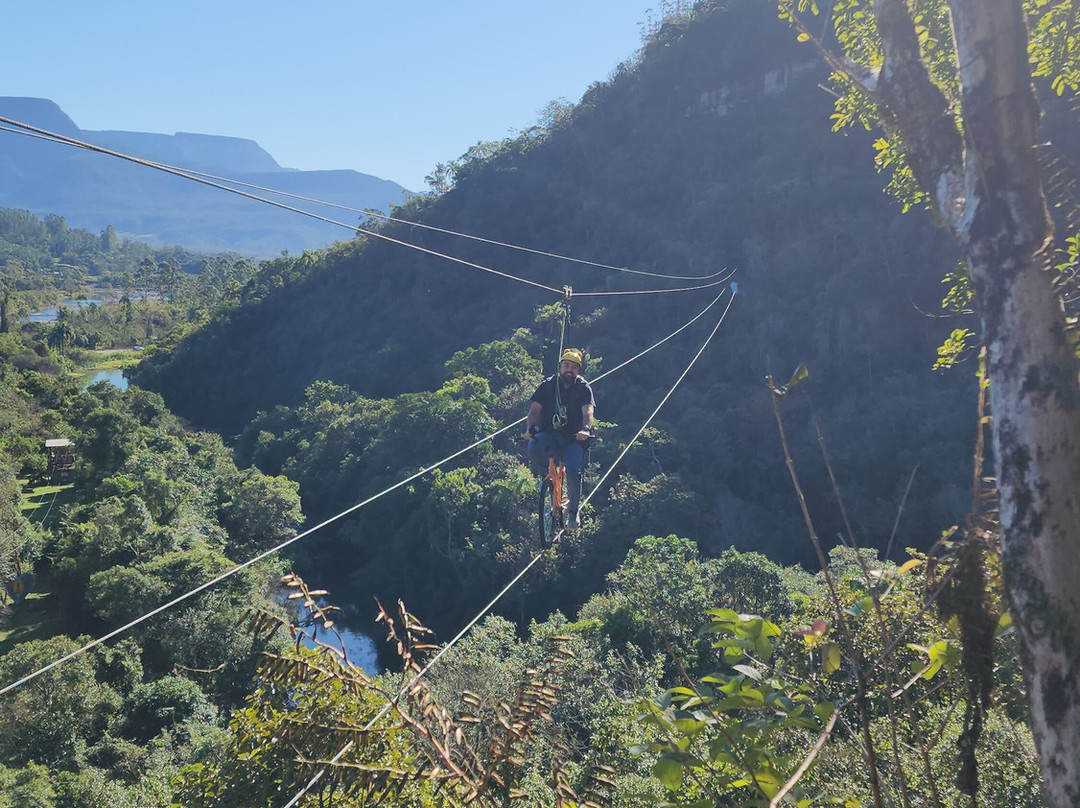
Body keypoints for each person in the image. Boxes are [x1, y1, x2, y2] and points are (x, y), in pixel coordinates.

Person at [523, 348, 595, 529]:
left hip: (573, 438)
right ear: (560, 367)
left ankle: (572, 511)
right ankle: (545, 477)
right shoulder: (548, 385)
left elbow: (588, 411)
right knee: (534, 446)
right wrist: (530, 428)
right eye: (566, 366)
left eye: (573, 367)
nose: (569, 370)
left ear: (578, 370)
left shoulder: (583, 388)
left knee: (572, 469)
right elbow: (534, 411)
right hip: (550, 435)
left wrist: (585, 429)